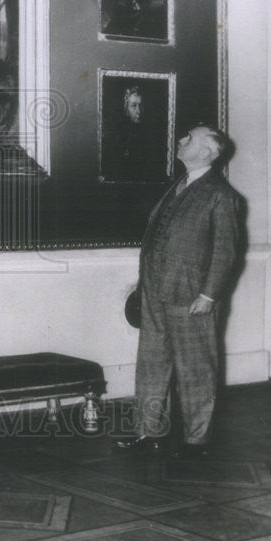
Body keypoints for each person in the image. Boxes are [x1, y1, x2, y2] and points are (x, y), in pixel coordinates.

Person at [114, 125, 244, 458]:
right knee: (151, 364)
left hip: (191, 297)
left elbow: (226, 252)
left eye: (189, 139)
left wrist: (209, 296)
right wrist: (142, 283)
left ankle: (195, 442)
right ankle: (149, 431)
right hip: (155, 291)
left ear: (206, 152)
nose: (181, 141)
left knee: (196, 369)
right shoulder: (178, 186)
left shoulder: (221, 194)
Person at [103, 85, 163, 183]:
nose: (139, 111)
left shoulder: (150, 134)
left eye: (141, 105)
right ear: (125, 108)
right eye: (133, 106)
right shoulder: (114, 135)